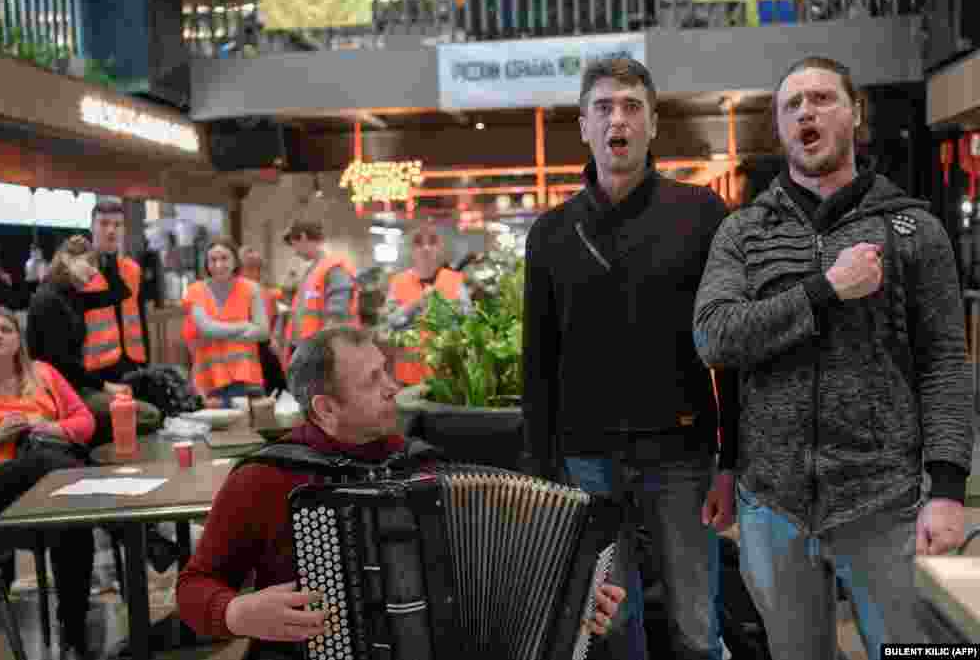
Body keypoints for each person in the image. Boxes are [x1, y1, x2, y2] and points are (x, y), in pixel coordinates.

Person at [693, 56, 972, 659]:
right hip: (773, 506)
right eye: (792, 105)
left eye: (821, 98)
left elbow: (946, 362)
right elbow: (715, 338)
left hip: (886, 500)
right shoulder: (744, 232)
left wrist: (948, 485)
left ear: (855, 114)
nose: (806, 113)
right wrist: (823, 291)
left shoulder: (913, 230)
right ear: (779, 125)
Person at [177, 326, 625, 659]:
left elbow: (491, 583)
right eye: (373, 380)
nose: (393, 387)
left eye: (386, 371)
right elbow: (194, 587)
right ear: (326, 408)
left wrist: (576, 598)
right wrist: (235, 613)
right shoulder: (263, 479)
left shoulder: (422, 467)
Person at [523, 56, 738, 660]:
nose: (618, 119)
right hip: (587, 462)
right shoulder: (551, 234)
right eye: (603, 107)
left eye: (631, 106)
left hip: (682, 456)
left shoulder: (700, 214)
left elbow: (730, 350)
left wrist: (731, 461)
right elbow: (537, 364)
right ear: (584, 127)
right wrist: (542, 472)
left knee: (697, 624)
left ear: (653, 124)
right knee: (611, 629)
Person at [0, 306, 97, 659]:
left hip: (51, 490)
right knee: (50, 465)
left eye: (6, 328)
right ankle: (125, 521)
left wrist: (50, 427)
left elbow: (85, 420)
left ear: (19, 339)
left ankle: (74, 628)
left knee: (73, 522)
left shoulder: (44, 374)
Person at [27, 235, 161, 447]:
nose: (94, 272)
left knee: (146, 392)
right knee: (148, 415)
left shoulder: (71, 295)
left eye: (96, 265)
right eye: (89, 263)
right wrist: (106, 386)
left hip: (75, 386)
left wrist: (109, 255)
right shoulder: (49, 300)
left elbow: (120, 293)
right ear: (66, 259)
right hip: (59, 392)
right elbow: (60, 363)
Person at [182, 237, 268, 405]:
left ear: (235, 261)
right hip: (208, 381)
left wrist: (219, 332)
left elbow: (263, 332)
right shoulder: (195, 291)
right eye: (213, 260)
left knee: (245, 428)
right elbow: (207, 329)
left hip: (246, 380)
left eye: (224, 258)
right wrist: (245, 326)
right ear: (206, 264)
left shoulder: (251, 289)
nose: (218, 265)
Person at [385, 223, 473, 385]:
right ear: (411, 250)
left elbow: (468, 322)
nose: (426, 248)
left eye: (432, 242)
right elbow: (389, 322)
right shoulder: (398, 282)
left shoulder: (454, 280)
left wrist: (442, 309)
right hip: (407, 379)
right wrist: (416, 305)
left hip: (447, 380)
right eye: (418, 243)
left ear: (440, 248)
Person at [280, 220, 360, 368]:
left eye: (294, 244)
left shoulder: (333, 268)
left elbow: (337, 317)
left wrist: (323, 353)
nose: (295, 252)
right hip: (309, 351)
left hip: (323, 354)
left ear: (303, 237)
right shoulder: (312, 271)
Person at [238, 245, 288, 396]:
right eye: (250, 268)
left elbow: (273, 324)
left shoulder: (267, 294)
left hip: (263, 351)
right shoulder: (234, 293)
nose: (255, 273)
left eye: (257, 268)